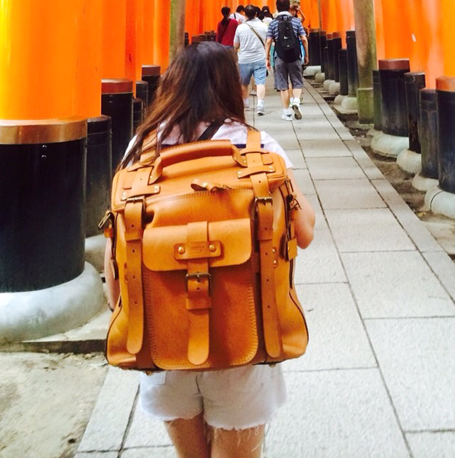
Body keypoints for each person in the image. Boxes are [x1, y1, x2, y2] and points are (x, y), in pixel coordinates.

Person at [106, 42, 315, 458]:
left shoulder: (141, 151)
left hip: (160, 331)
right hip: (245, 329)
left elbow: (117, 246)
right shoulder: (258, 148)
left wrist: (122, 313)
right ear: (231, 85)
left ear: (171, 85)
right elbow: (304, 231)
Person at [265, 0, 309, 121]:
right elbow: (304, 39)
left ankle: (287, 113)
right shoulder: (296, 22)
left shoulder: (273, 23)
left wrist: (267, 57)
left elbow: (268, 41)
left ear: (277, 7)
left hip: (280, 56)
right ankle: (296, 101)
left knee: (283, 85)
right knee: (297, 82)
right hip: (295, 56)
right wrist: (306, 55)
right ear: (289, 7)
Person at [233, 4, 268, 115]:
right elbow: (268, 41)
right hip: (260, 58)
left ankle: (246, 104)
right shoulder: (263, 26)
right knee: (260, 83)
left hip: (244, 59)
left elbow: (236, 45)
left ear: (245, 14)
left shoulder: (240, 28)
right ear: (256, 14)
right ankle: (260, 105)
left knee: (244, 83)